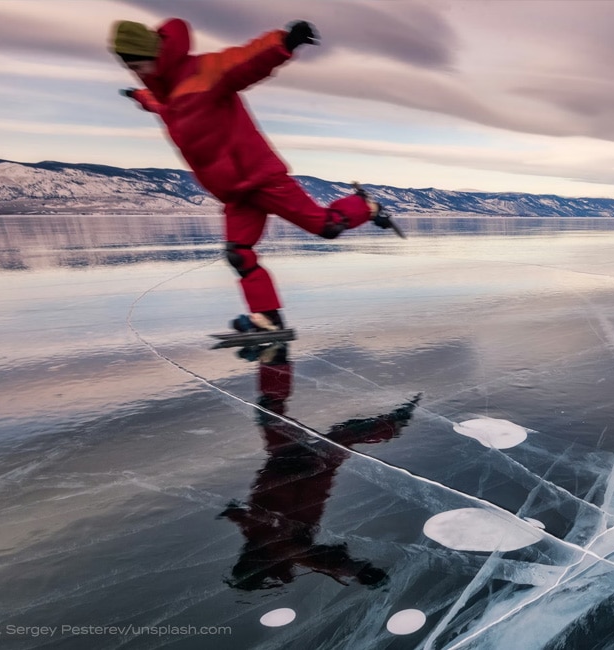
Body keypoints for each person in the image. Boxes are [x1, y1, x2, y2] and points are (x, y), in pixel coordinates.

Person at [110, 18, 399, 333]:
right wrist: (137, 95)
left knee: (326, 227)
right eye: (131, 68)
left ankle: (365, 205)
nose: (138, 72)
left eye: (139, 65)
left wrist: (283, 42)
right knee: (238, 254)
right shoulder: (165, 97)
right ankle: (268, 318)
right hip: (235, 194)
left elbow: (244, 61)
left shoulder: (203, 72)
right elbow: (157, 103)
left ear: (154, 54)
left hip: (261, 177)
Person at [220, 342, 419, 590]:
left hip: (284, 459)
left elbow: (250, 521)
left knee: (270, 414)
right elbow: (320, 560)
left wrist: (234, 513)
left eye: (243, 561)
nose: (246, 557)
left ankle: (275, 360)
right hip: (313, 470)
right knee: (343, 435)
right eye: (248, 564)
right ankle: (392, 426)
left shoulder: (255, 536)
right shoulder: (284, 550)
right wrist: (360, 572)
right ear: (259, 567)